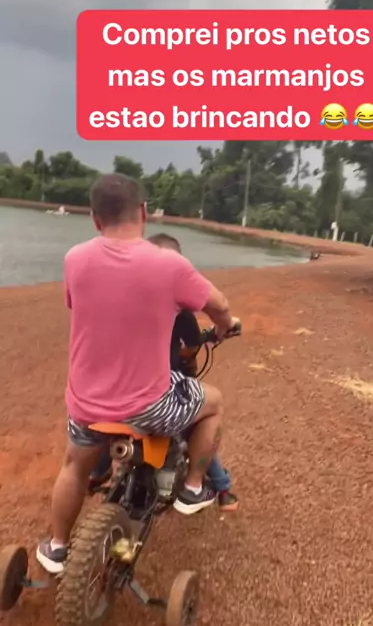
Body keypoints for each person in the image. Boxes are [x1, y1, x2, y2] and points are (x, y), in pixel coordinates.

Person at [36, 173, 237, 575]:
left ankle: (56, 548)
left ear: (95, 218)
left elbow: (80, 305)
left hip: (86, 405)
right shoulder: (170, 264)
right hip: (149, 408)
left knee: (73, 466)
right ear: (144, 212)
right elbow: (220, 305)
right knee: (213, 401)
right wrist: (224, 326)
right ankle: (194, 488)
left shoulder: (75, 259)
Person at [88, 232, 239, 512]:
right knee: (201, 417)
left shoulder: (113, 295)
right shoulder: (180, 310)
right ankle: (210, 486)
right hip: (154, 393)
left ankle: (95, 473)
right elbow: (192, 345)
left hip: (103, 389)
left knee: (107, 422)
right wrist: (214, 334)